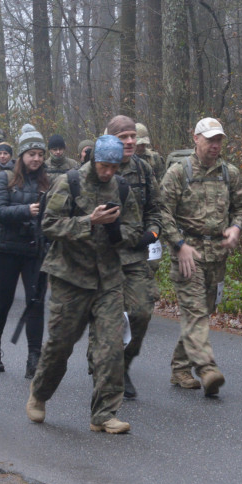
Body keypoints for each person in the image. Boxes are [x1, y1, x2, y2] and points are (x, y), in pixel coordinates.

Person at [26, 135, 142, 434]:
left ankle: (104, 414)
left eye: (114, 167)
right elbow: (49, 224)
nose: (108, 172)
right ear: (94, 160)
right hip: (70, 277)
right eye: (104, 166)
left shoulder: (122, 187)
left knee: (111, 346)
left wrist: (117, 231)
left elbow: (135, 229)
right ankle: (39, 394)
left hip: (109, 278)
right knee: (60, 345)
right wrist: (89, 221)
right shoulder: (70, 181)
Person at [160, 117, 242, 396]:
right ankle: (207, 368)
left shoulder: (229, 173)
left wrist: (236, 227)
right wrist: (178, 244)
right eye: (210, 139)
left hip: (217, 254)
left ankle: (180, 367)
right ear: (195, 139)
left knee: (203, 311)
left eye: (219, 139)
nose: (215, 144)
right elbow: (162, 213)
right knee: (195, 311)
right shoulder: (178, 173)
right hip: (188, 253)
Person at [102, 115, 162, 400]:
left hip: (136, 254)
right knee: (108, 317)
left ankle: (123, 365)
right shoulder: (97, 168)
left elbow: (156, 208)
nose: (129, 142)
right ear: (111, 139)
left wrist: (152, 233)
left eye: (132, 137)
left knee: (141, 312)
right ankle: (105, 368)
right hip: (104, 256)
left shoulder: (143, 169)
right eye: (123, 137)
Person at [0, 124, 50, 377]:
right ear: (21, 156)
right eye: (31, 153)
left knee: (36, 303)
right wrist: (27, 210)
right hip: (6, 250)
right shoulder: (5, 178)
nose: (36, 158)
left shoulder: (49, 182)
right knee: (4, 301)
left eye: (40, 154)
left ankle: (34, 358)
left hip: (36, 251)